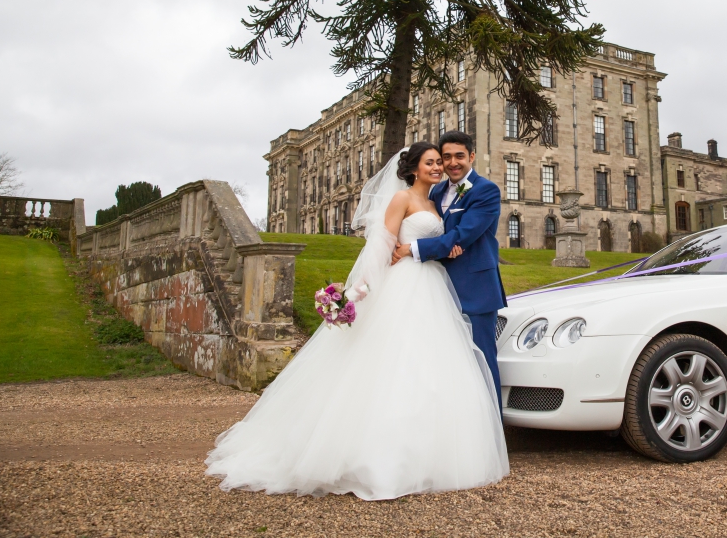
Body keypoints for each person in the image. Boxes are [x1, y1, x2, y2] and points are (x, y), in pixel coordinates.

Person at [205, 143, 508, 500]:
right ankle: (376, 453)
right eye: (433, 161)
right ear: (413, 168)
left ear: (470, 157)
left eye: (442, 161)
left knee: (436, 365)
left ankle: (452, 444)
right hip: (404, 284)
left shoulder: (442, 196)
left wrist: (437, 246)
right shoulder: (404, 199)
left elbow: (457, 235)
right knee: (391, 363)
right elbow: (381, 244)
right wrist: (358, 290)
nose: (441, 167)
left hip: (433, 284)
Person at [391, 131, 507, 397]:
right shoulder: (437, 190)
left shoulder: (486, 190)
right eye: (446, 158)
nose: (453, 163)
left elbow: (462, 235)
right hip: (436, 289)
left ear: (472, 156)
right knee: (446, 365)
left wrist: (413, 248)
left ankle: (492, 433)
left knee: (481, 362)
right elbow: (443, 235)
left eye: (459, 156)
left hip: (474, 288)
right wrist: (444, 247)